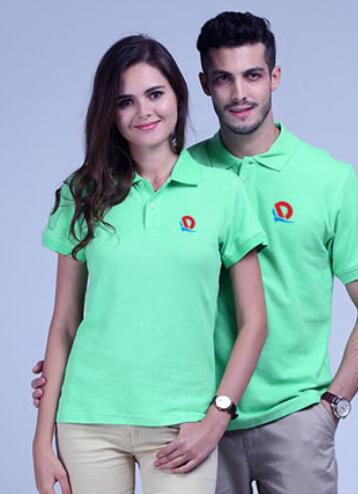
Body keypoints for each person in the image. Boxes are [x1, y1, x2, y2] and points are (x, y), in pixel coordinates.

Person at [32, 11, 358, 494]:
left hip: (291, 415)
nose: (239, 93)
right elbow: (110, 301)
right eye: (224, 78)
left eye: (252, 75)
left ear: (275, 76)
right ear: (203, 84)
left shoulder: (328, 180)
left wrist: (331, 405)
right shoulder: (173, 169)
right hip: (191, 417)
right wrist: (69, 374)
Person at [32, 34, 268, 494]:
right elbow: (64, 324)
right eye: (125, 101)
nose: (144, 111)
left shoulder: (223, 192)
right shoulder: (82, 193)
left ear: (178, 95)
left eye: (155, 94)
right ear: (109, 112)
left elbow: (254, 321)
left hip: (182, 424)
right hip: (88, 421)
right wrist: (42, 442)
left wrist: (218, 416)